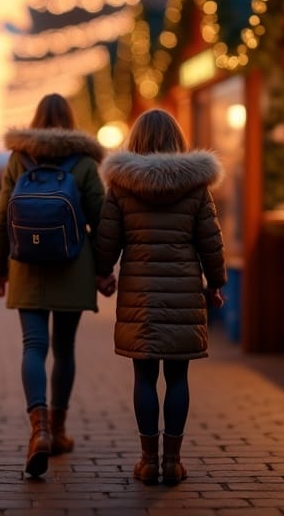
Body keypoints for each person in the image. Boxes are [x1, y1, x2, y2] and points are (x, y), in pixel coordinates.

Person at [93, 108, 226, 486]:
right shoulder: (196, 186)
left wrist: (102, 274)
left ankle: (148, 461)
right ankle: (174, 462)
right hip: (184, 288)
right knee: (178, 377)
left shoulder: (121, 185)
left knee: (145, 375)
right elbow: (210, 240)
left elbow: (107, 240)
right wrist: (215, 283)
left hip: (140, 293)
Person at [0, 93, 107, 478]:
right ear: (71, 121)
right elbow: (101, 220)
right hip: (73, 265)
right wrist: (103, 270)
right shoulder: (86, 162)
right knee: (65, 349)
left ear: (35, 121)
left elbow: (2, 217)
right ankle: (58, 430)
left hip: (26, 265)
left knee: (33, 346)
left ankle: (37, 427)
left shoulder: (18, 159)